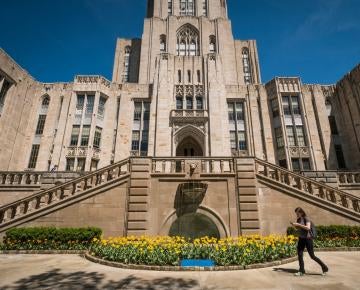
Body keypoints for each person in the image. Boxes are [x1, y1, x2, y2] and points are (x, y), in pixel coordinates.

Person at [290, 207, 328, 276]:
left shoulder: (306, 218)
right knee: (300, 254)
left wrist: (298, 225)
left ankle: (324, 267)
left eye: (297, 213)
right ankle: (301, 270)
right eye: (296, 214)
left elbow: (308, 228)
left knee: (312, 256)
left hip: (308, 239)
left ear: (301, 212)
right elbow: (300, 228)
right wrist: (295, 226)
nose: (297, 215)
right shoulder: (298, 219)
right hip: (301, 238)